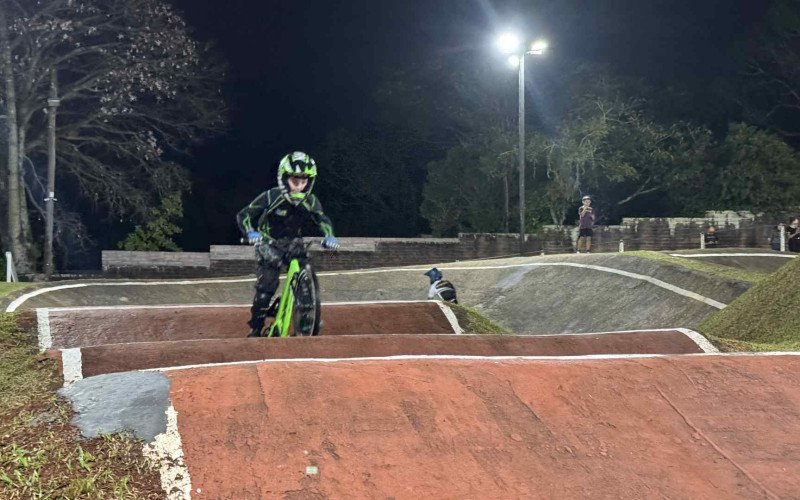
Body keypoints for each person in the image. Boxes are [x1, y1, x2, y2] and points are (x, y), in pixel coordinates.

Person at [236, 151, 339, 337]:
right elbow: (244, 214)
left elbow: (321, 219)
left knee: (305, 266)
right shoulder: (271, 196)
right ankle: (256, 328)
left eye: (304, 181)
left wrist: (329, 236)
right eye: (294, 181)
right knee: (266, 287)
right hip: (268, 243)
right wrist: (250, 232)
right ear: (284, 179)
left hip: (294, 244)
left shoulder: (311, 200)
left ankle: (308, 313)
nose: (299, 186)